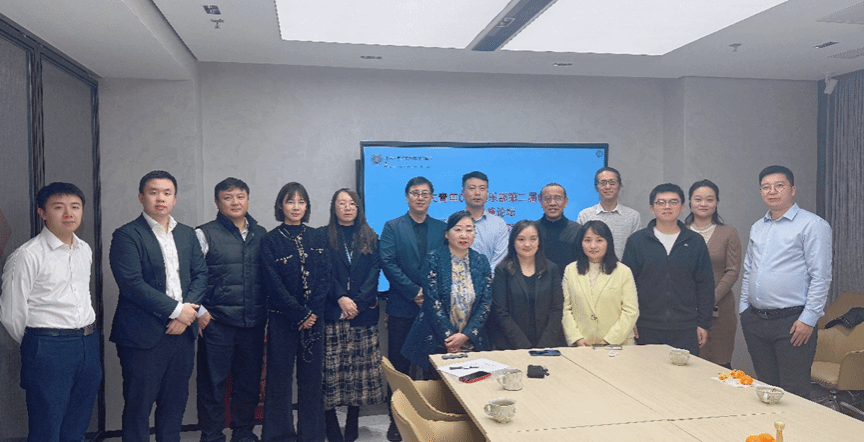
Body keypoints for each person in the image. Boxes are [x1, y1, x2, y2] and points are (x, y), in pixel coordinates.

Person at [109, 170, 208, 442]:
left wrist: (187, 314)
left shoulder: (187, 234)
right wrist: (178, 311)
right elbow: (131, 284)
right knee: (138, 408)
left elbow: (201, 275)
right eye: (153, 192)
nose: (160, 198)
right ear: (141, 197)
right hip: (142, 335)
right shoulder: (127, 235)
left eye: (167, 193)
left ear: (175, 198)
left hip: (182, 334)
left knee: (174, 405)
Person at [1, 182, 101, 442]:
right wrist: (40, 341)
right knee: (47, 426)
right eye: (58, 207)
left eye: (75, 207)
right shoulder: (27, 255)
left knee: (78, 423)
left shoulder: (84, 249)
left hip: (87, 343)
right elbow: (11, 314)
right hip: (48, 346)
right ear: (42, 213)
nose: (68, 213)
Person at [740, 166, 832, 398]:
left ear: (792, 190)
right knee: (766, 388)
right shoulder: (758, 227)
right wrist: (744, 309)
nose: (772, 191)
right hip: (756, 321)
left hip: (793, 322)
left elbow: (821, 276)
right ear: (761, 192)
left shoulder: (813, 225)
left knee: (794, 392)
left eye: (779, 186)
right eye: (766, 187)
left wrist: (808, 319)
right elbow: (749, 270)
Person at [195, 178, 267, 442]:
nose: (235, 202)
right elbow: (191, 276)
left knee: (248, 383)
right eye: (228, 197)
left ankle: (243, 433)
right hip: (217, 322)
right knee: (212, 384)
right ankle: (212, 436)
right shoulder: (204, 233)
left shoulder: (261, 233)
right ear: (217, 202)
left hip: (253, 322)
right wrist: (200, 312)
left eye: (240, 196)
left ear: (247, 199)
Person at [260, 182, 331, 442]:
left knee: (311, 381)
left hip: (314, 320)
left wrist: (312, 313)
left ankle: (312, 436)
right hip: (283, 320)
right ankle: (278, 436)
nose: (296, 207)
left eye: (301, 202)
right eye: (290, 201)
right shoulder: (270, 240)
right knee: (279, 380)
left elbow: (325, 276)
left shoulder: (318, 237)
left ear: (307, 206)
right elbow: (272, 283)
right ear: (281, 206)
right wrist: (298, 313)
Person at [379, 177, 446, 441]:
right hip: (401, 308)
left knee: (432, 368)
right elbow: (387, 261)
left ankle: (432, 419)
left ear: (432, 197)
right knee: (400, 368)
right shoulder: (392, 226)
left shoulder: (442, 228)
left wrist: (428, 293)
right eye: (415, 193)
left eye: (425, 193)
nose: (420, 197)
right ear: (407, 197)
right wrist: (413, 291)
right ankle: (397, 422)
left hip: (433, 311)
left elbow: (444, 264)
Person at [321, 189, 386, 442]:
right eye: (342, 203)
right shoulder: (323, 236)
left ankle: (352, 422)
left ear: (358, 208)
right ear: (334, 207)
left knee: (358, 374)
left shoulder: (370, 236)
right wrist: (341, 298)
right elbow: (324, 272)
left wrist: (357, 302)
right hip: (333, 312)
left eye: (352, 203)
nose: (347, 208)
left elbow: (375, 271)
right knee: (331, 373)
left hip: (363, 314)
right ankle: (330, 424)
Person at [621, 183, 714, 356]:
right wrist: (630, 320)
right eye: (661, 202)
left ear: (682, 207)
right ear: (652, 208)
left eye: (673, 202)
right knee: (647, 371)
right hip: (645, 326)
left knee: (685, 372)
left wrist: (703, 323)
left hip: (686, 327)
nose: (667, 207)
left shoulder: (695, 242)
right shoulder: (637, 241)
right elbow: (626, 285)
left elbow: (705, 285)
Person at [401, 211, 493, 372]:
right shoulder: (433, 259)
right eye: (458, 229)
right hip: (436, 341)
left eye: (469, 230)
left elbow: (485, 303)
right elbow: (432, 302)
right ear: (446, 234)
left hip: (471, 342)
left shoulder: (481, 261)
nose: (464, 235)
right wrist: (451, 339)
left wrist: (465, 335)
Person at [684, 180, 741, 369]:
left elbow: (732, 271)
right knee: (688, 366)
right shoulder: (679, 232)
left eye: (709, 199)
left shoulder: (728, 233)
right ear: (690, 201)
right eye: (698, 199)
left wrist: (707, 300)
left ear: (716, 202)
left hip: (720, 309)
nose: (703, 204)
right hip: (684, 310)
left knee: (719, 365)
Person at [562, 221, 639, 346]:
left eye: (599, 240)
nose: (593, 246)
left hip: (618, 345)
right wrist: (577, 338)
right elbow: (566, 309)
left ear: (608, 242)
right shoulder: (571, 270)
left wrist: (609, 340)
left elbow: (630, 311)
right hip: (583, 345)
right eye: (587, 240)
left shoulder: (623, 271)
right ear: (580, 243)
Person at [491, 220, 565, 350]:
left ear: (539, 241)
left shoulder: (551, 269)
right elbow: (501, 311)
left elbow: (557, 309)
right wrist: (523, 346)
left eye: (533, 239)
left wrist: (544, 345)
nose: (527, 244)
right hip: (511, 345)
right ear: (513, 242)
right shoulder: (503, 270)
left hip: (547, 345)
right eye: (521, 239)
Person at [577, 167, 641, 259]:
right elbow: (580, 247)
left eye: (612, 182)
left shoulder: (633, 216)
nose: (608, 187)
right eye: (603, 183)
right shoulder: (585, 215)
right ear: (596, 187)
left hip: (623, 267)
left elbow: (636, 249)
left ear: (619, 186)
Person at [461, 171, 508, 274]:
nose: (477, 193)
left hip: (491, 281)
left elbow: (500, 261)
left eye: (482, 188)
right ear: (463, 193)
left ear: (487, 193)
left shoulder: (499, 225)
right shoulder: (451, 224)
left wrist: (484, 279)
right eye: (472, 188)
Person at [534, 183, 581, 270]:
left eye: (558, 198)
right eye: (547, 198)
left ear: (565, 202)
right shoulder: (532, 230)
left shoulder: (578, 230)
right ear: (540, 202)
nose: (552, 203)